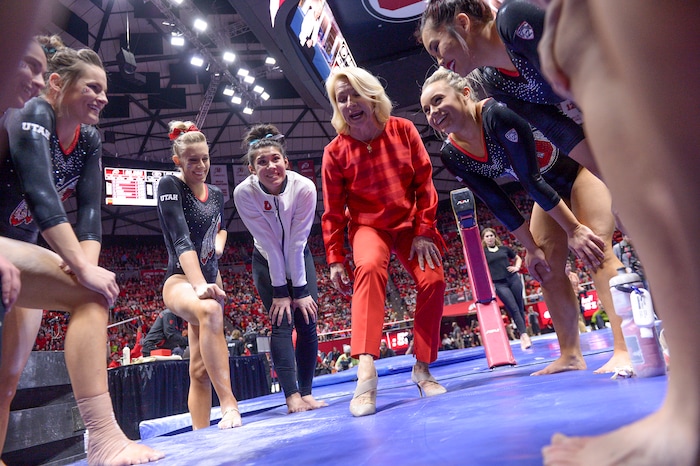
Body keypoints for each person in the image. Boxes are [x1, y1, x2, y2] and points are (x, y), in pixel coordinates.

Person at [537, 1, 700, 464]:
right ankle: (690, 396)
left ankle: (690, 407)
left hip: (573, 167)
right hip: (559, 170)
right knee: (580, 39)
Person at [0, 36, 163, 465]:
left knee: (7, 380)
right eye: (91, 87)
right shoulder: (33, 113)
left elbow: (91, 214)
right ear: (59, 86)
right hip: (6, 247)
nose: (102, 97)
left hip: (27, 251)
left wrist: (83, 268)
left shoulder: (88, 140)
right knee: (90, 293)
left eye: (104, 89)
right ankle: (103, 435)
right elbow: (40, 195)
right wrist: (80, 274)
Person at [420, 67, 629, 374]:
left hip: (580, 170)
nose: (433, 112)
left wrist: (574, 230)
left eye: (438, 100)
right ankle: (570, 353)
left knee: (596, 248)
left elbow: (530, 180)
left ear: (465, 93)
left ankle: (627, 346)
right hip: (547, 191)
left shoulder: (496, 115)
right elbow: (497, 202)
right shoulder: (453, 154)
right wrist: (530, 249)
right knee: (544, 267)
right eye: (426, 109)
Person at [322, 66, 447, 417]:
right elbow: (332, 211)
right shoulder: (335, 152)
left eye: (354, 94)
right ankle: (366, 373)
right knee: (370, 266)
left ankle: (422, 368)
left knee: (434, 280)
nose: (349, 104)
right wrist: (334, 258)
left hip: (409, 222)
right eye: (340, 99)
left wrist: (423, 230)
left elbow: (425, 184)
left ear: (372, 94)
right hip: (368, 227)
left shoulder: (404, 130)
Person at [418, 0, 600, 179]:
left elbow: (590, 79)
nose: (440, 62)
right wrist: (606, 175)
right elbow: (556, 128)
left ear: (463, 23)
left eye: (437, 47)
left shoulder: (513, 18)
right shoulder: (495, 82)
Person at [233, 123, 327, 414]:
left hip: (300, 256)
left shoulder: (305, 187)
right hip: (265, 259)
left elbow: (297, 242)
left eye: (276, 159)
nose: (270, 166)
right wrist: (280, 291)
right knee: (282, 322)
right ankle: (291, 396)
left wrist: (299, 290)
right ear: (251, 168)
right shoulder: (243, 193)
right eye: (262, 162)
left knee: (308, 321)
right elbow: (270, 244)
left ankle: (307, 391)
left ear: (286, 161)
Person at [157, 120, 241, 430]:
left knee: (199, 370)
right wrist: (199, 285)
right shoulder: (170, 186)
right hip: (181, 280)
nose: (201, 165)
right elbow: (181, 239)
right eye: (193, 160)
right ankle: (229, 405)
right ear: (177, 160)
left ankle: (201, 436)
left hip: (209, 278)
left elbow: (218, 229)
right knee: (207, 310)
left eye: (205, 158)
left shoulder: (217, 194)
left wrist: (218, 247)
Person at [481, 228, 531, 350]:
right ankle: (524, 336)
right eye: (487, 236)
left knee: (519, 307)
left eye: (491, 235)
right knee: (513, 308)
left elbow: (517, 258)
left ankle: (523, 335)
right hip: (499, 284)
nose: (489, 238)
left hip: (513, 279)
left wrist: (517, 267)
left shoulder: (504, 249)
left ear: (495, 236)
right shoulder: (483, 252)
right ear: (483, 239)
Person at [565, 260, 587, 333]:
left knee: (578, 314)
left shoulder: (574, 275)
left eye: (569, 265)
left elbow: (577, 286)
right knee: (574, 316)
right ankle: (581, 331)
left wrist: (583, 289)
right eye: (567, 266)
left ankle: (582, 331)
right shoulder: (561, 276)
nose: (569, 267)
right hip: (566, 298)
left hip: (576, 297)